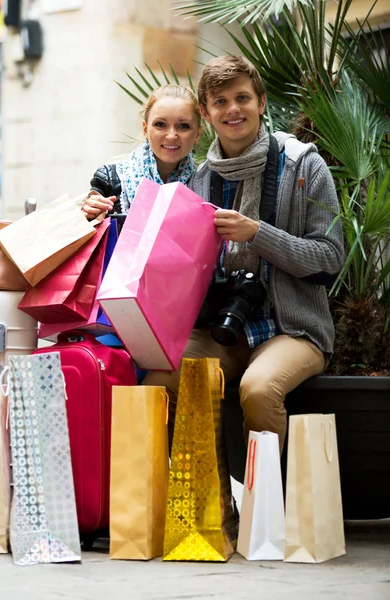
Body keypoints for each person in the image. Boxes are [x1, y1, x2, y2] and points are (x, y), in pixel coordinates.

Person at [143, 55, 345, 464]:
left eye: (242, 98)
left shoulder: (305, 165)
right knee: (160, 381)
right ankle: (208, 514)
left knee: (258, 388)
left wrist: (257, 233)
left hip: (293, 328)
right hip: (227, 328)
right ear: (206, 112)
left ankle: (263, 518)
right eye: (220, 102)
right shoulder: (200, 179)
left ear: (262, 102)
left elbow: (329, 259)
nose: (233, 109)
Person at [81, 84, 201, 220]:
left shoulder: (205, 185)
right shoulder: (110, 179)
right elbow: (86, 228)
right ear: (145, 129)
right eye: (160, 124)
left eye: (183, 126)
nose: (171, 136)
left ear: (197, 133)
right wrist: (88, 212)